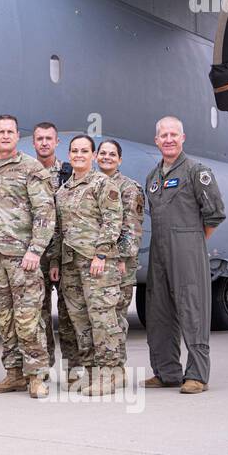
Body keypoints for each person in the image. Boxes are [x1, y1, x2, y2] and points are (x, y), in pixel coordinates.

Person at [0, 115, 56, 399]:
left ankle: (37, 376)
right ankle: (14, 374)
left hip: (23, 258)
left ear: (17, 136)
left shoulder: (31, 168)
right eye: (1, 132)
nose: (5, 136)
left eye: (10, 132)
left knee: (28, 318)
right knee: (4, 319)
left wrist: (35, 250)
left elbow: (45, 212)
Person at [143, 116, 226, 394]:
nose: (168, 139)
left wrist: (192, 243)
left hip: (188, 247)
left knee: (193, 310)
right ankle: (167, 372)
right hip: (158, 251)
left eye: (173, 134)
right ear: (156, 140)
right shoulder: (153, 178)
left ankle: (197, 375)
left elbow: (214, 214)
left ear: (183, 138)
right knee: (159, 312)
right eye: (163, 135)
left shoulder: (196, 171)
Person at [49, 135, 125, 396]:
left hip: (96, 264)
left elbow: (113, 220)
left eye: (84, 151)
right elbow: (58, 230)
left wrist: (101, 255)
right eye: (74, 151)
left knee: (102, 318)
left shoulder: (103, 184)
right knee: (80, 321)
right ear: (69, 155)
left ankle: (110, 372)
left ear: (93, 156)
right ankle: (92, 373)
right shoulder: (62, 191)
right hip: (70, 265)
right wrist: (56, 261)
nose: (79, 155)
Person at [32, 121, 79, 381]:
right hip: (37, 253)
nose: (44, 143)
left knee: (69, 312)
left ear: (57, 142)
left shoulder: (70, 172)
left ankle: (74, 368)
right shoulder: (27, 172)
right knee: (37, 314)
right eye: (40, 138)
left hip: (65, 250)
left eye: (49, 138)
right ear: (34, 142)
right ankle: (42, 368)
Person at [96, 139, 144, 373]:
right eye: (103, 153)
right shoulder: (92, 184)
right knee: (100, 317)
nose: (106, 157)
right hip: (97, 261)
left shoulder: (128, 187)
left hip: (119, 264)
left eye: (112, 154)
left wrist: (123, 259)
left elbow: (131, 228)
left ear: (120, 159)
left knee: (116, 317)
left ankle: (117, 369)